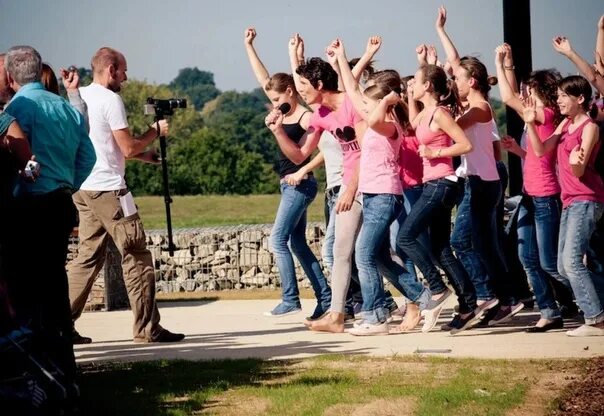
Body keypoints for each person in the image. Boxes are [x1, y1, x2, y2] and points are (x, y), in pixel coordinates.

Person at [67, 47, 184, 344]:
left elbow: (109, 147)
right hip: (109, 189)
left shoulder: (79, 96)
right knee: (137, 254)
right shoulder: (111, 100)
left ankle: (60, 327)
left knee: (87, 259)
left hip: (83, 187)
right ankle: (147, 329)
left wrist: (147, 157)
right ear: (110, 69)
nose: (126, 77)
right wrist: (154, 131)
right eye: (123, 71)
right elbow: (128, 148)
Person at [2, 45, 96, 381]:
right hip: (61, 202)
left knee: (27, 290)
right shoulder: (65, 108)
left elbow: (17, 159)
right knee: (55, 283)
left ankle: (37, 369)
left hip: (30, 205)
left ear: (10, 77)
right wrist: (69, 184)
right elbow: (89, 157)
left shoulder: (19, 109)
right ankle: (64, 364)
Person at [244, 28, 332, 319]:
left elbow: (299, 154)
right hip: (287, 185)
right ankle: (326, 297)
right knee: (296, 243)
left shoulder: (306, 117)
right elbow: (263, 78)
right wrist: (249, 46)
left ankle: (290, 298)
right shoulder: (281, 107)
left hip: (301, 184)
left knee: (277, 240)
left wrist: (278, 129)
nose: (275, 105)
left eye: (279, 99)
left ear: (291, 92)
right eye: (271, 100)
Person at [497, 43, 577, 332]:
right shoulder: (537, 119)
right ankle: (549, 310)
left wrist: (502, 62)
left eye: (529, 90)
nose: (524, 94)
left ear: (540, 92)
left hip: (546, 197)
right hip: (530, 195)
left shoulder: (545, 115)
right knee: (527, 257)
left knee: (550, 262)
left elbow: (507, 95)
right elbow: (539, 153)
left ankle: (591, 300)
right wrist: (518, 152)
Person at [396, 63, 479, 334]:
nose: (412, 86)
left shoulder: (441, 114)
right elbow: (411, 123)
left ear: (428, 86)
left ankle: (437, 287)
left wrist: (435, 154)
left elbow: (466, 145)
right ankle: (468, 305)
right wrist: (410, 95)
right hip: (433, 184)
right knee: (441, 248)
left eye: (416, 82)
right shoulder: (424, 114)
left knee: (405, 238)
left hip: (442, 183)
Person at [523, 75, 604, 336]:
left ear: (580, 99)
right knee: (560, 266)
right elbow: (540, 151)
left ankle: (596, 320)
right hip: (569, 201)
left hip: (586, 199)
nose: (558, 100)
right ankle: (597, 306)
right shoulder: (566, 124)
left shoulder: (589, 127)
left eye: (563, 96)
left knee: (571, 263)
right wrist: (530, 125)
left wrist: (574, 159)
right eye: (556, 95)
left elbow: (579, 170)